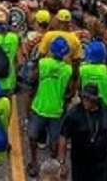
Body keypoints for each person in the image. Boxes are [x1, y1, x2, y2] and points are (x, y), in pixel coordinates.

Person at [28, 36, 74, 177]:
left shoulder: (43, 63)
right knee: (54, 143)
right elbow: (70, 91)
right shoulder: (68, 70)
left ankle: (34, 163)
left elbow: (32, 78)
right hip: (56, 111)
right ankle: (52, 168)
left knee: (33, 137)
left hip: (39, 107)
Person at [58, 84, 107, 181]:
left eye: (89, 99)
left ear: (95, 99)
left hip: (101, 162)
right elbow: (63, 136)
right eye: (84, 98)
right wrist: (61, 162)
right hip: (80, 163)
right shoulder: (74, 114)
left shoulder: (105, 110)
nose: (85, 101)